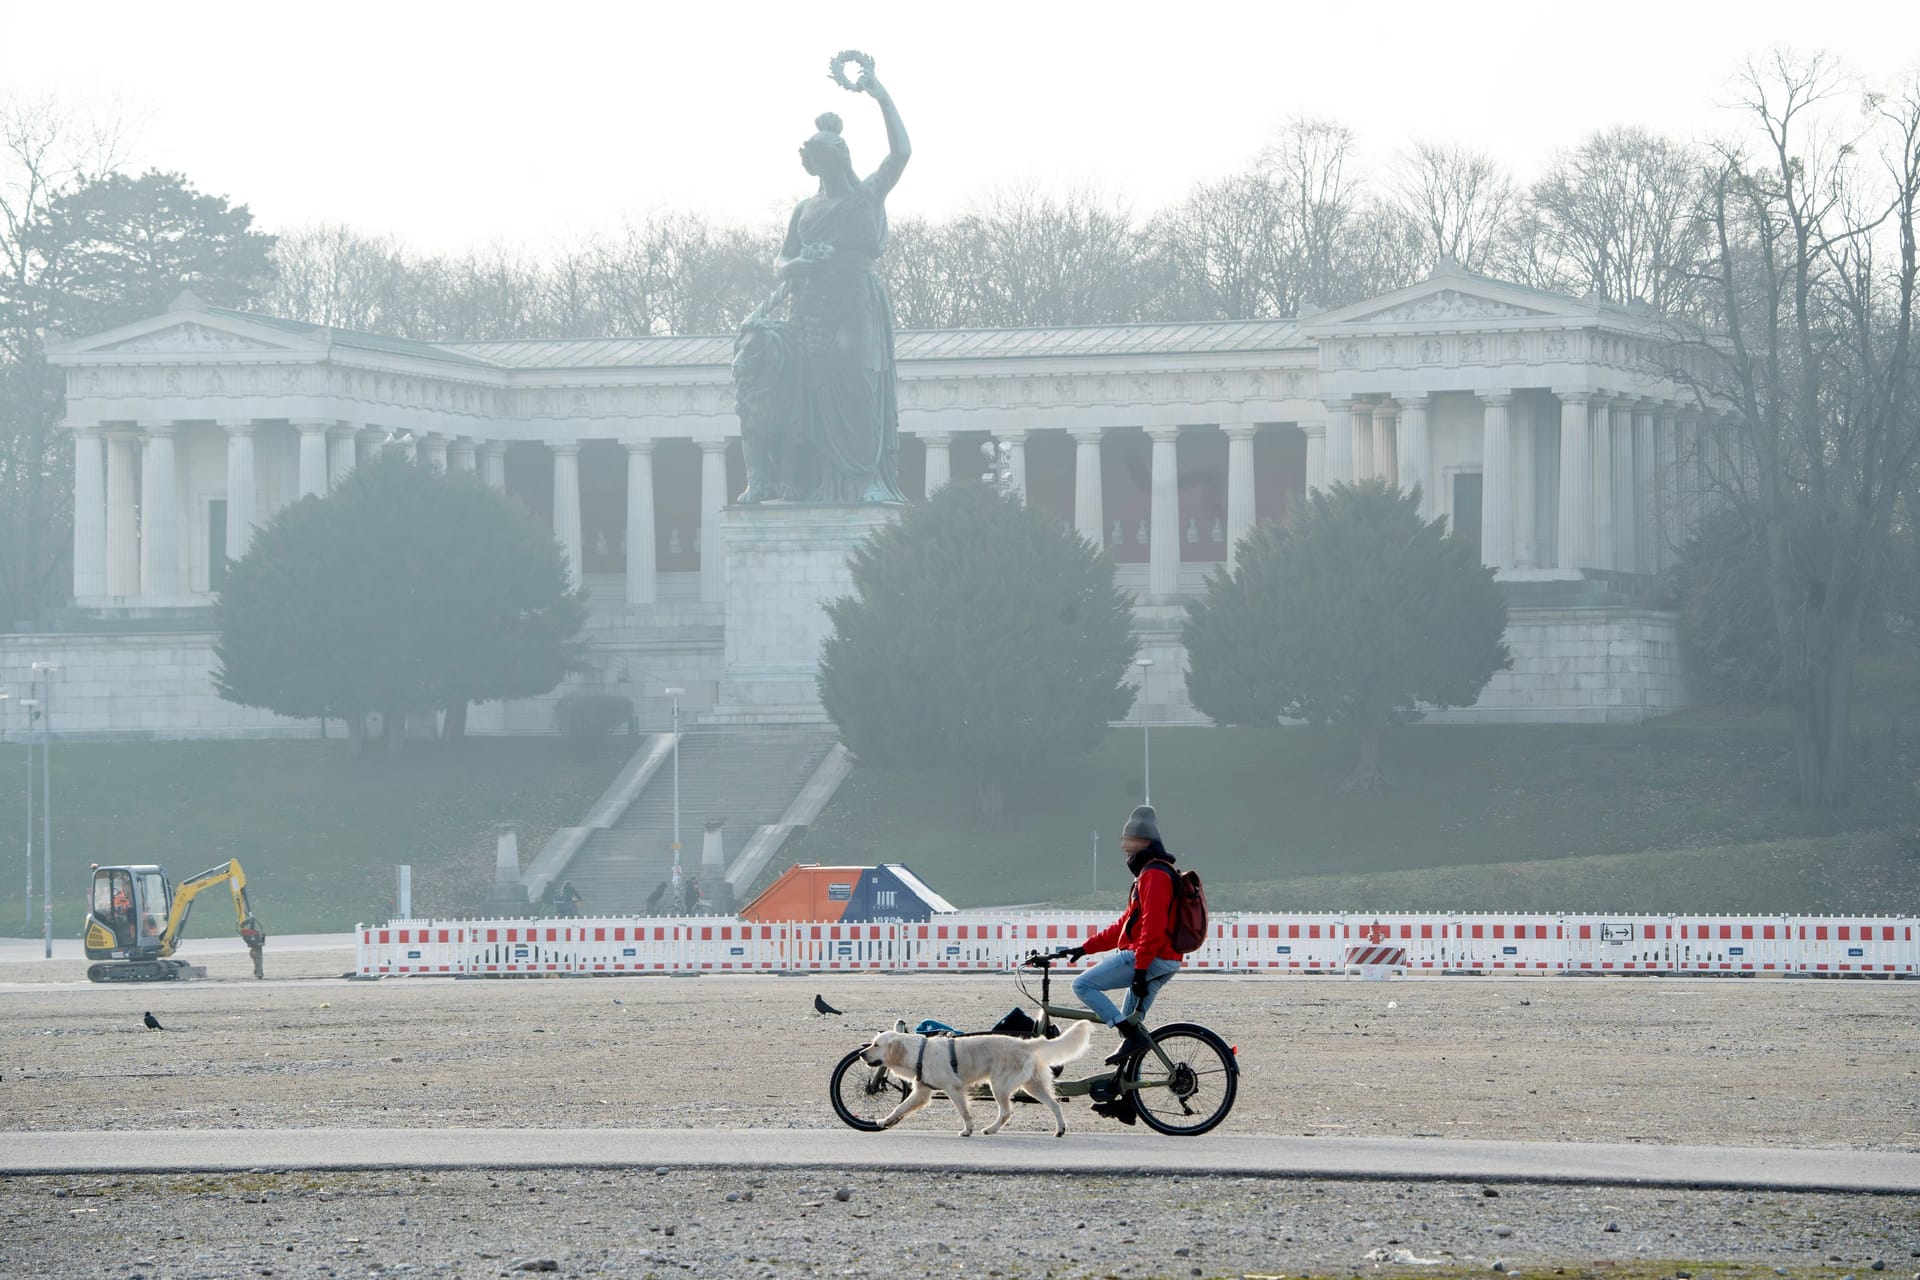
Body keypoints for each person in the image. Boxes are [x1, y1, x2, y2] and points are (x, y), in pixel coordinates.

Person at [1062, 805, 1183, 1065]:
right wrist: (1085, 948)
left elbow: (1153, 925)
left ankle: (1132, 1036)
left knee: (1082, 985)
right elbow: (1125, 925)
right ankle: (1127, 1096)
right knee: (1129, 1032)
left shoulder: (1154, 874)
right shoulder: (1149, 874)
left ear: (1144, 842)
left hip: (1153, 957)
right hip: (1162, 958)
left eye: (1128, 839)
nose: (1123, 845)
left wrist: (1140, 969)